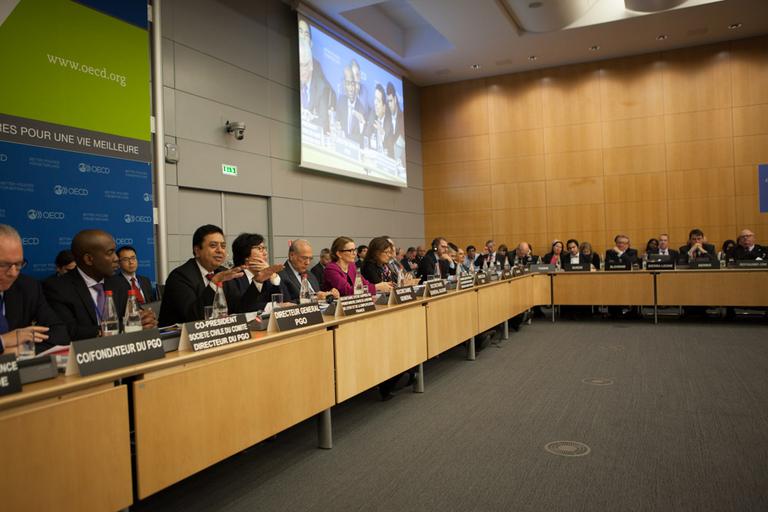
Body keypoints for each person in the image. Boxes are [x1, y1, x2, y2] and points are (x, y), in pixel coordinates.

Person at [44, 229, 157, 341]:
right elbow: (69, 331)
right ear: (89, 259)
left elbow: (135, 316)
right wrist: (120, 327)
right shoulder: (57, 289)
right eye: (110, 253)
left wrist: (145, 319)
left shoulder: (119, 283)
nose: (116, 259)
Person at [157, 225, 246, 326]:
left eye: (223, 246)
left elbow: (240, 309)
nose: (220, 250)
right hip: (179, 335)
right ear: (197, 251)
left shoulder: (223, 272)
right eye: (213, 245)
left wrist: (257, 282)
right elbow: (192, 317)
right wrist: (214, 283)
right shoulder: (179, 277)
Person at [0, 224, 67, 354]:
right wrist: (3, 342)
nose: (13, 273)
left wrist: (19, 351)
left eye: (18, 264)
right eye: (3, 264)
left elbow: (59, 334)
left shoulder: (28, 286)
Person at [230, 233, 284, 313]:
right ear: (246, 255)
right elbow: (240, 308)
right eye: (260, 249)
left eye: (264, 248)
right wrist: (271, 306)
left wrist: (273, 275)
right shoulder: (233, 278)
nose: (265, 253)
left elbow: (283, 302)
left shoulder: (267, 277)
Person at [298, 19, 335, 134]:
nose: (303, 37)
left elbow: (329, 91)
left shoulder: (316, 66)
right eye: (300, 32)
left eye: (306, 34)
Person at [279, 239, 338, 303]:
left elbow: (318, 294)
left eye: (310, 259)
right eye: (304, 258)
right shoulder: (280, 276)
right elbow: (283, 305)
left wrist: (329, 294)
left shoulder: (310, 274)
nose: (308, 262)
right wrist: (314, 299)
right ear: (292, 255)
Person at [336, 65, 366, 146]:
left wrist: (361, 124)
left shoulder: (362, 110)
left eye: (353, 84)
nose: (351, 89)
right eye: (348, 84)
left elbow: (361, 139)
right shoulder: (341, 101)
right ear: (345, 85)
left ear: (357, 86)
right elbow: (336, 122)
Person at [364, 84, 394, 157]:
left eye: (378, 100)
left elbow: (391, 152)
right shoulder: (372, 115)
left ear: (384, 107)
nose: (375, 103)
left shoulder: (390, 124)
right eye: (375, 99)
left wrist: (383, 134)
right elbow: (365, 137)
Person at [385, 82, 405, 164]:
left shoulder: (402, 118)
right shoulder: (387, 118)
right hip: (388, 163)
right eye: (388, 102)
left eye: (391, 101)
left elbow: (404, 145)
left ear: (395, 99)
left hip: (401, 164)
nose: (389, 105)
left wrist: (400, 159)